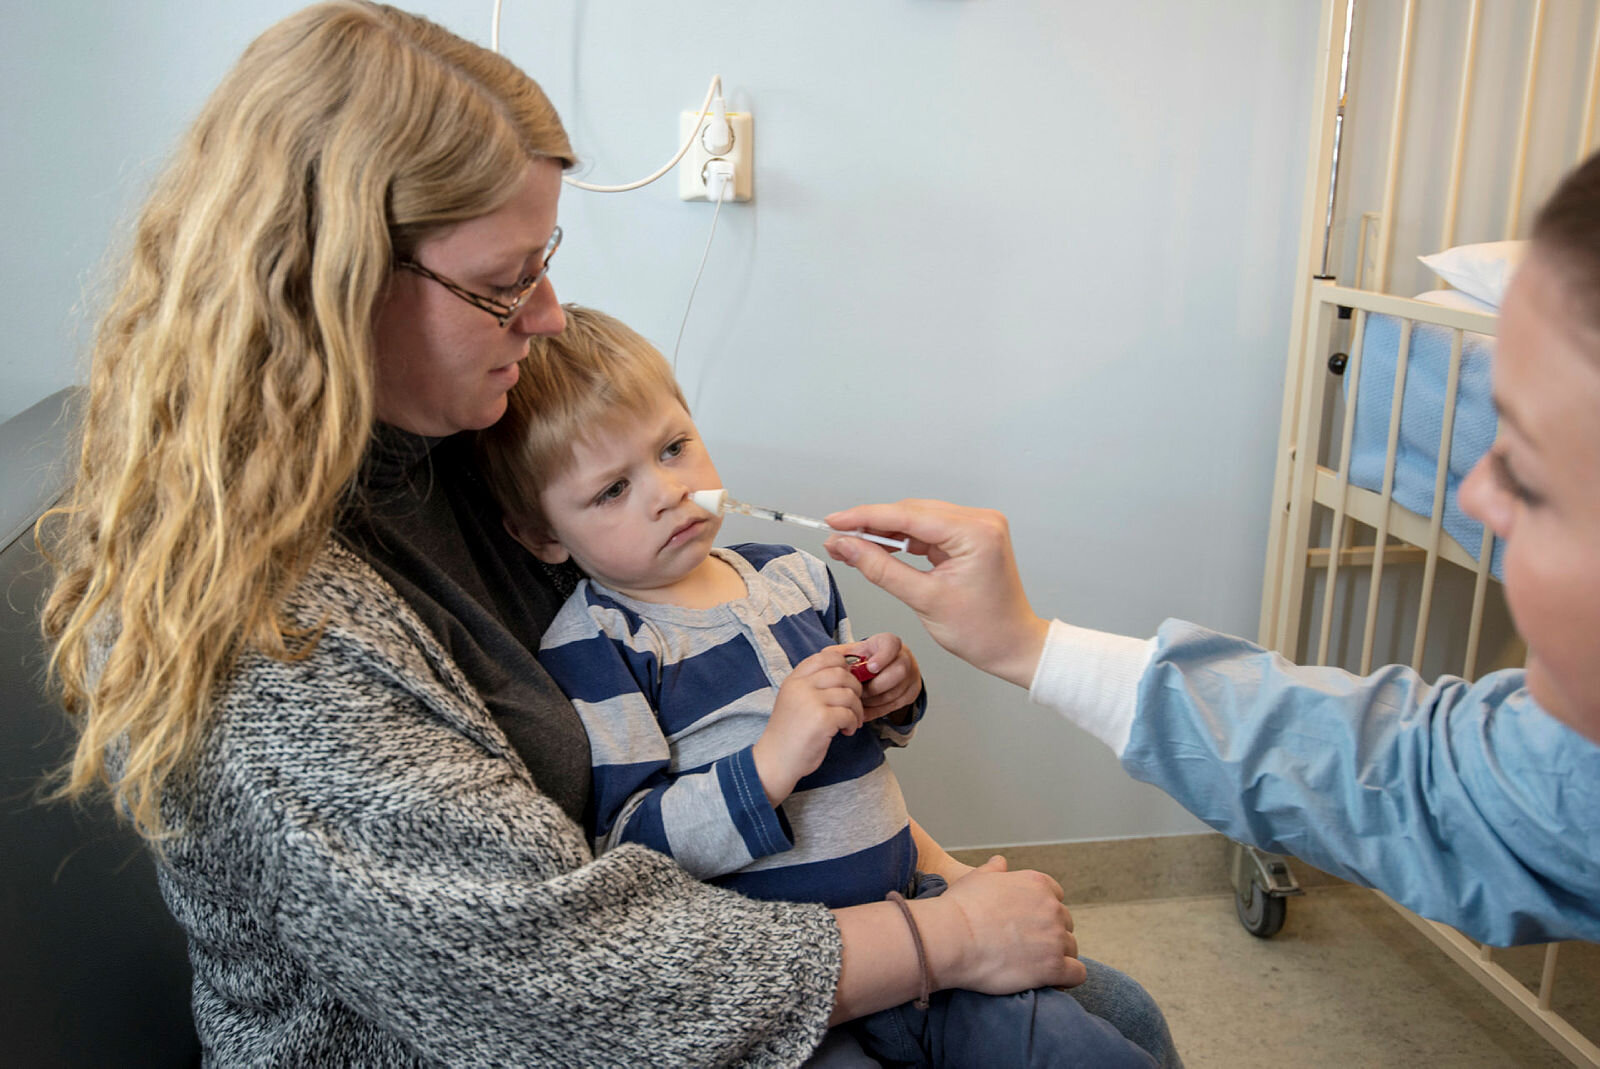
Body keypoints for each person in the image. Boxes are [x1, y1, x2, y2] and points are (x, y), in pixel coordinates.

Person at [37, 4, 1086, 1065]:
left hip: (677, 951)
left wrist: (928, 864)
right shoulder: (271, 645)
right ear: (334, 283)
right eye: (501, 285)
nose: (545, 315)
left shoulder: (465, 446)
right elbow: (564, 991)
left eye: (545, 261)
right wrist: (939, 935)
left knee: (1106, 1018)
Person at [821, 150, 1600, 950]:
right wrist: (1028, 644)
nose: (1476, 496)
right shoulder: (1564, 770)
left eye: (1531, 473)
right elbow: (1405, 780)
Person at [474, 305, 1176, 1067]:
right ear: (543, 535)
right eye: (612, 490)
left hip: (922, 928)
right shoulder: (600, 642)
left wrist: (893, 693)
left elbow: (865, 741)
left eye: (674, 448)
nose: (667, 491)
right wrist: (771, 760)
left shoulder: (791, 576)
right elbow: (632, 847)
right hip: (800, 1003)